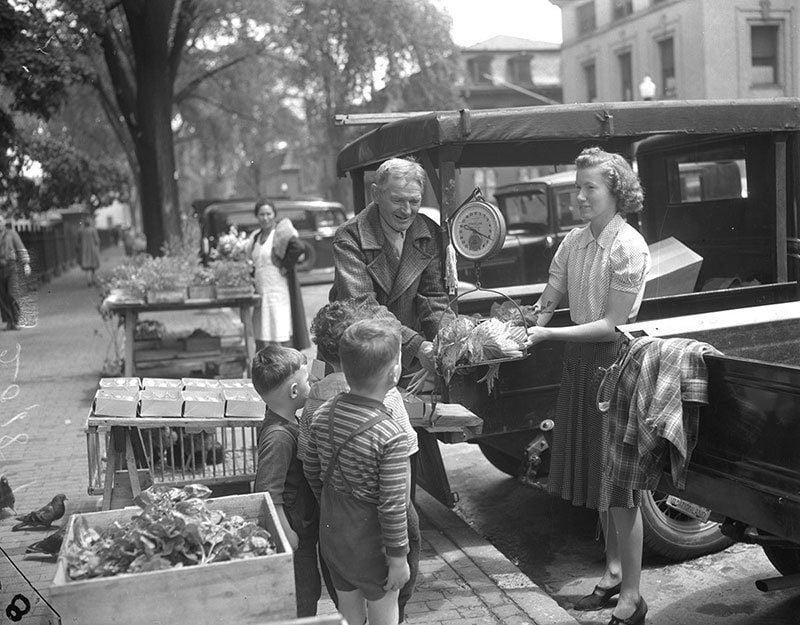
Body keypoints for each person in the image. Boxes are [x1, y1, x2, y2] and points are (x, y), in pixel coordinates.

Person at [525, 147, 651, 625]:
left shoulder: (628, 246)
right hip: (580, 366)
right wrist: (522, 327)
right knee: (598, 481)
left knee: (620, 490)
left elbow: (613, 324)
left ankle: (633, 598)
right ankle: (614, 573)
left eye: (588, 188)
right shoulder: (575, 242)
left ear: (616, 192)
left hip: (614, 367)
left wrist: (548, 333)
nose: (578, 196)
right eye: (577, 187)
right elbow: (549, 296)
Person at [299, 299, 420, 624]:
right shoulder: (390, 434)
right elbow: (395, 505)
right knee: (385, 615)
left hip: (335, 537)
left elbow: (311, 468)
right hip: (373, 545)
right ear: (395, 372)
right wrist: (398, 559)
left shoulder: (322, 414)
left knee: (350, 616)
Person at [329, 157, 452, 386]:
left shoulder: (429, 233)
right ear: (376, 194)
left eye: (414, 201)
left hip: (405, 361)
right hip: (359, 359)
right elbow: (363, 306)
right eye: (397, 200)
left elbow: (434, 299)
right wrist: (417, 346)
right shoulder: (350, 237)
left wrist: (450, 343)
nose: (406, 211)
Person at [251, 345, 326, 617]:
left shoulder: (285, 422)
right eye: (307, 381)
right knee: (303, 596)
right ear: (294, 392)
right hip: (295, 534)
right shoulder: (278, 437)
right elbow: (268, 492)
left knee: (308, 590)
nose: (312, 383)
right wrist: (286, 532)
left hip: (300, 527)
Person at [246, 199, 309, 351]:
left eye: (268, 214)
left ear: (274, 215)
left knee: (280, 327)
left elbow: (299, 247)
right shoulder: (255, 237)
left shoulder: (281, 233)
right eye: (261, 214)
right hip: (262, 291)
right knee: (263, 330)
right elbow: (250, 260)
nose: (265, 218)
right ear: (257, 216)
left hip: (279, 290)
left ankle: (287, 364)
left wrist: (285, 266)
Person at [0, 213, 31, 331]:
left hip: (11, 267)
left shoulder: (11, 234)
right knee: (2, 297)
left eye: (0, 221)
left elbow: (20, 247)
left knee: (12, 294)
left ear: (3, 222)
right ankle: (9, 322)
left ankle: (16, 320)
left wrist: (26, 263)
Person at [77, 218, 101, 286]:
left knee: (87, 267)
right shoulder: (93, 230)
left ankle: (89, 281)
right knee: (93, 267)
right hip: (92, 250)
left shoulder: (81, 231)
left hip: (84, 251)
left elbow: (78, 241)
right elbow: (97, 240)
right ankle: (93, 280)